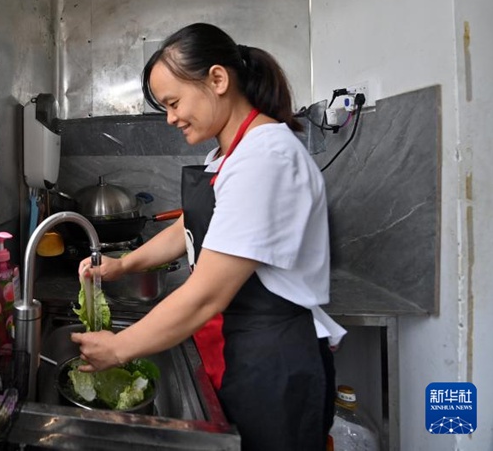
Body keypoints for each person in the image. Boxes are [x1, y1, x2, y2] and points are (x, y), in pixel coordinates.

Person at [71, 23, 346, 451]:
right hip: (245, 350)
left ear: (218, 80)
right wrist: (124, 264)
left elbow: (206, 294)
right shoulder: (226, 155)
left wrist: (119, 348)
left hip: (274, 365)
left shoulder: (265, 157)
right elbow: (191, 229)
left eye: (174, 102)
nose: (170, 118)